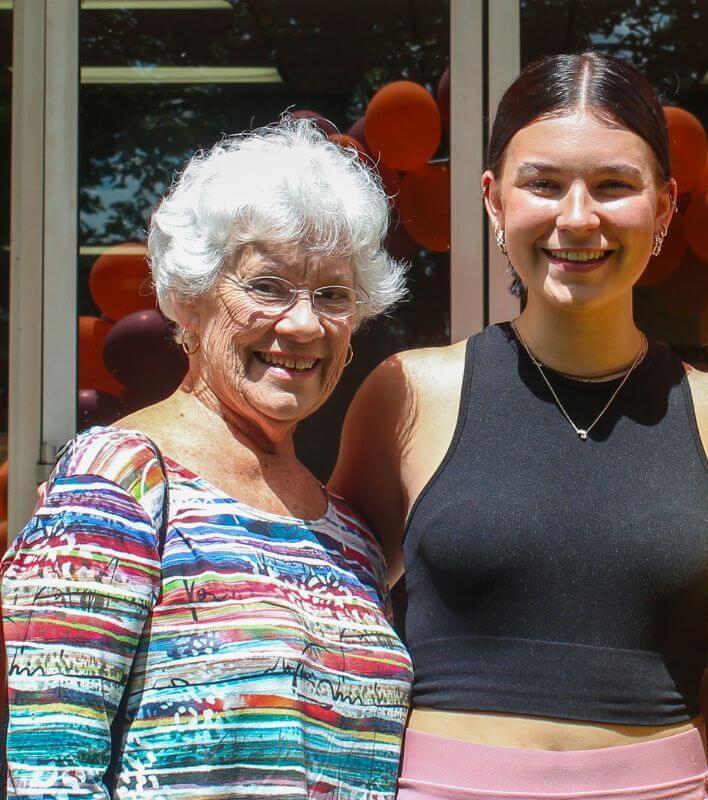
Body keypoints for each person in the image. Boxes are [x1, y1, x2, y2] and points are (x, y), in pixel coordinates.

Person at [331, 52, 708, 799]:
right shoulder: (409, 392)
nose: (576, 217)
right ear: (495, 201)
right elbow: (322, 609)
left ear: (664, 209)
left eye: (612, 186)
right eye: (544, 183)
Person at [2, 118, 412, 798]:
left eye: (333, 295)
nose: (304, 324)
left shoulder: (352, 539)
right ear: (190, 299)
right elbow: (46, 767)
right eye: (269, 287)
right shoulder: (120, 480)